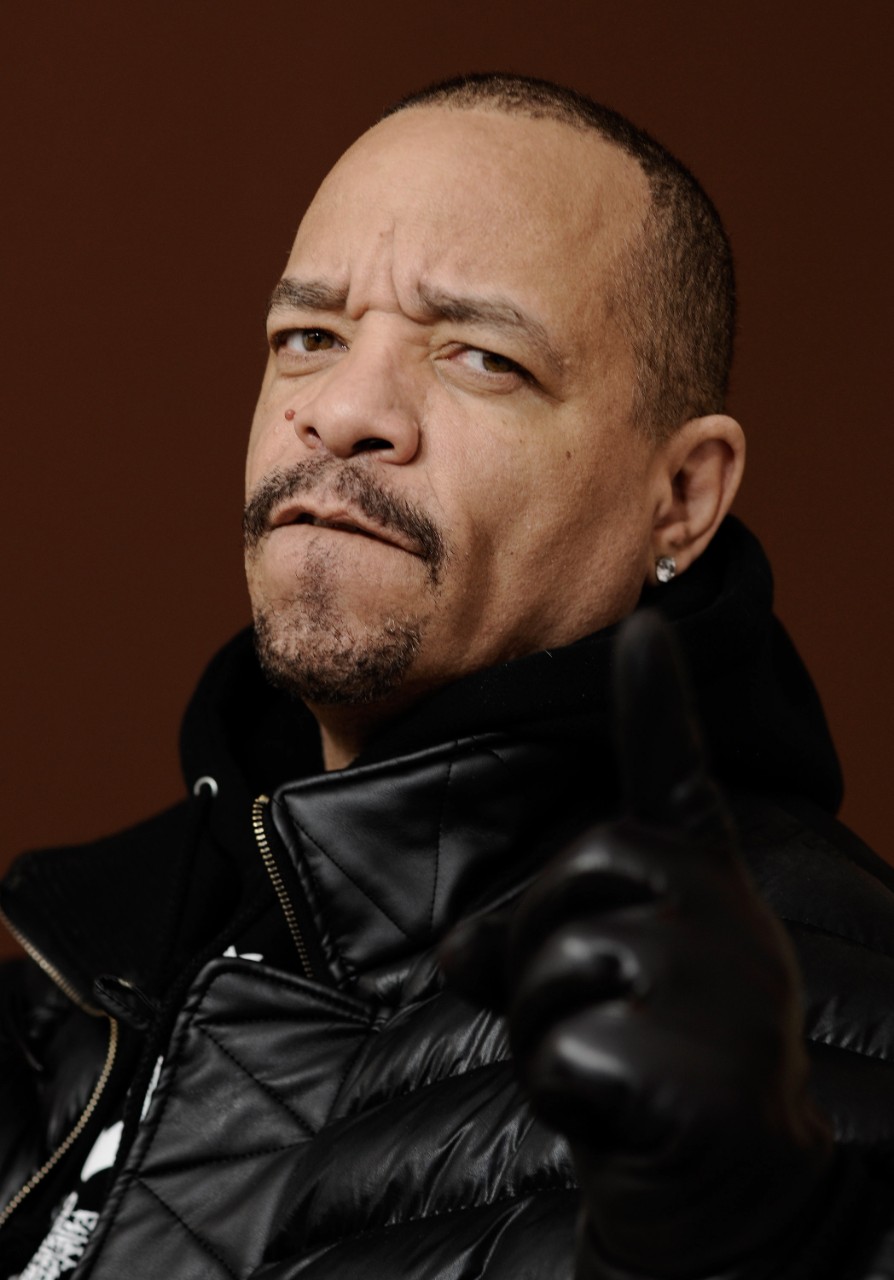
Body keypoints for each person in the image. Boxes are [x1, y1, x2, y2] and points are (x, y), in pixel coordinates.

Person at [2, 71, 893, 1280]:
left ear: (681, 497)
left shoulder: (802, 1040)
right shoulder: (64, 1000)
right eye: (310, 337)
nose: (344, 411)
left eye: (481, 356)